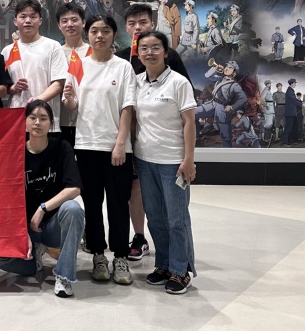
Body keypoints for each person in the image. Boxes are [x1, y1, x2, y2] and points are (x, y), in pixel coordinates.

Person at [62, 15, 136, 285]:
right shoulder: (78, 65)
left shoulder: (123, 67)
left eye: (105, 31)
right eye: (94, 31)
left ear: (114, 34)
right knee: (92, 204)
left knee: (118, 204)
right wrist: (69, 100)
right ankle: (98, 255)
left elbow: (127, 107)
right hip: (86, 145)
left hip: (116, 148)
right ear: (88, 34)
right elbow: (73, 106)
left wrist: (120, 144)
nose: (100, 36)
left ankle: (121, 256)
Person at [0, 100, 84, 298]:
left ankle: (64, 276)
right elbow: (6, 198)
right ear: (25, 122)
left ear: (51, 123)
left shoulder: (61, 147)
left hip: (53, 226)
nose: (37, 122)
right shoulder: (15, 152)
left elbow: (74, 188)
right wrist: (21, 232)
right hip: (25, 228)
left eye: (43, 118)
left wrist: (42, 208)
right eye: (33, 117)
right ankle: (32, 262)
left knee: (73, 209)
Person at [133, 30, 197, 294]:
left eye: (155, 47)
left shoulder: (179, 82)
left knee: (177, 219)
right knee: (155, 217)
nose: (150, 52)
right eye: (144, 48)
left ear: (166, 52)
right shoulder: (136, 82)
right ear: (138, 53)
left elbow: (189, 123)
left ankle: (181, 270)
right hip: (144, 160)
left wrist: (189, 160)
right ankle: (163, 265)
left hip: (173, 162)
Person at [1, 0, 66, 131]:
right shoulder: (7, 51)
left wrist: (37, 101)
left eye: (33, 16)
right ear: (15, 21)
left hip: (46, 121)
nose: (28, 20)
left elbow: (59, 83)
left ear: (40, 20)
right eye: (23, 16)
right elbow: (3, 87)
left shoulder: (53, 46)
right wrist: (13, 88)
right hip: (16, 121)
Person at [56, 3, 90, 147]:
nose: (69, 24)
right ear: (59, 26)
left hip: (87, 121)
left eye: (74, 20)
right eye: (64, 21)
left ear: (83, 23)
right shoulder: (54, 52)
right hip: (59, 121)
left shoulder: (94, 52)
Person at [195, 61, 247, 148]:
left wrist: (232, 107)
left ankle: (227, 153)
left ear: (234, 73)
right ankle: (196, 138)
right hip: (212, 104)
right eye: (227, 66)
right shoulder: (220, 79)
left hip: (222, 109)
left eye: (230, 68)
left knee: (226, 137)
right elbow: (207, 76)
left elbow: (243, 98)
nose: (227, 68)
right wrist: (215, 68)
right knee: (193, 113)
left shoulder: (235, 85)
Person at [283, 78, 302, 146]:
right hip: (290, 113)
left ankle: (289, 141)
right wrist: (302, 104)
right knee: (288, 127)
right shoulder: (290, 91)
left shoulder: (290, 90)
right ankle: (285, 141)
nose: (295, 84)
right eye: (294, 83)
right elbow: (294, 100)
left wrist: (301, 103)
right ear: (291, 83)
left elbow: (295, 100)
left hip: (291, 113)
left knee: (291, 127)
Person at [261, 79, 275, 143]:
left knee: (270, 124)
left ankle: (268, 138)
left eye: (270, 83)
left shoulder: (268, 90)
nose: (270, 84)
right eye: (269, 83)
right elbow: (262, 99)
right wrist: (266, 105)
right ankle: (265, 138)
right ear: (266, 84)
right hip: (268, 108)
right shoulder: (265, 90)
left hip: (271, 108)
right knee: (268, 124)